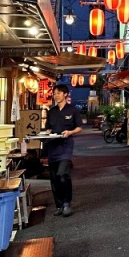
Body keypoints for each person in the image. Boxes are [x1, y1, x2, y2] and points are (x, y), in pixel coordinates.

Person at [44, 84, 83, 217]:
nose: (56, 96)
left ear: (65, 94)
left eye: (59, 93)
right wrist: (44, 134)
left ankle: (67, 203)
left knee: (62, 174)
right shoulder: (52, 111)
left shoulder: (72, 110)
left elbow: (79, 127)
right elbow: (48, 128)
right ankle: (59, 205)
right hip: (52, 146)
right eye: (54, 93)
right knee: (54, 178)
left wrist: (70, 132)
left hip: (66, 146)